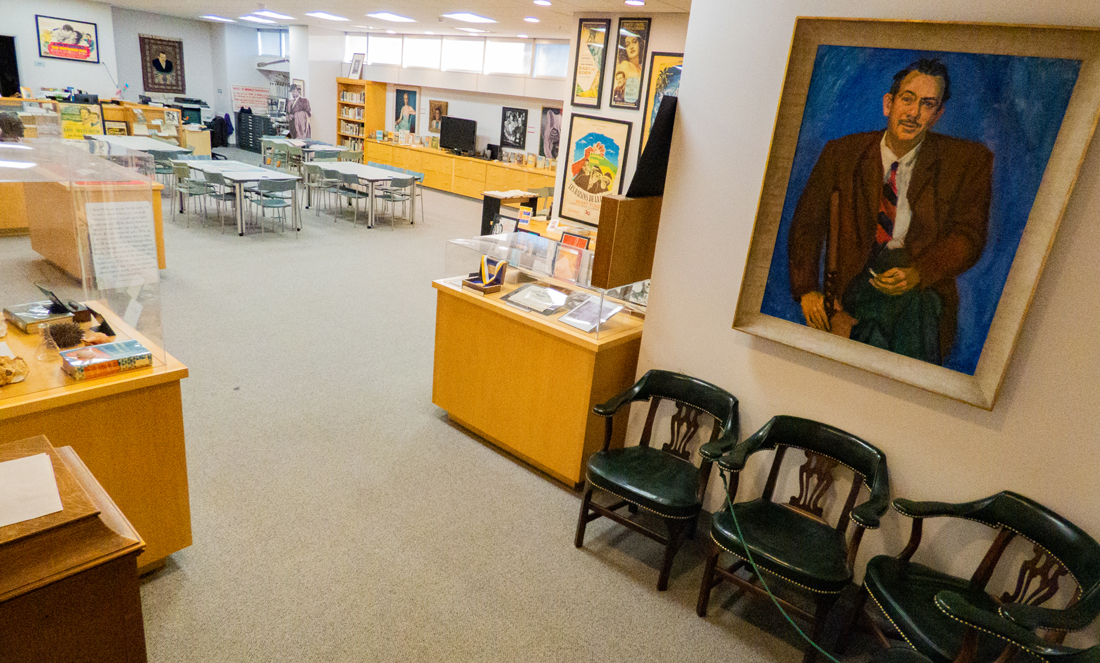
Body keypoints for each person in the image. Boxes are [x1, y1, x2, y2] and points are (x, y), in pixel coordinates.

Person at [787, 58, 992, 365]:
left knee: (914, 304)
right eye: (907, 99)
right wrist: (807, 290)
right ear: (888, 103)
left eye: (927, 104)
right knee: (902, 319)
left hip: (920, 282)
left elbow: (969, 236)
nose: (913, 113)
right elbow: (807, 224)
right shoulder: (841, 154)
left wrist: (919, 273)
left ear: (938, 115)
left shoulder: (966, 161)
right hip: (855, 280)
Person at [615, 34, 643, 103]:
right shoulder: (625, 65)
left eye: (634, 42)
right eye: (627, 45)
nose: (631, 47)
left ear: (639, 44)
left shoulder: (641, 68)